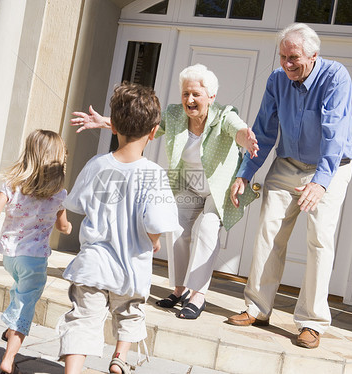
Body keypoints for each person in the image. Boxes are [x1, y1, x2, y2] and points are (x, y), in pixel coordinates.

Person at [71, 64, 259, 320]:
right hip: (189, 184)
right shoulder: (173, 115)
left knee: (206, 229)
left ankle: (198, 294)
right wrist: (106, 122)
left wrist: (245, 139)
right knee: (178, 229)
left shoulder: (224, 115)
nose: (189, 100)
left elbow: (237, 130)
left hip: (218, 190)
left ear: (211, 97)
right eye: (185, 94)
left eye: (196, 94)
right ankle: (179, 289)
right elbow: (143, 125)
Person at [227, 23, 352, 349]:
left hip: (332, 166)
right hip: (287, 164)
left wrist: (322, 182)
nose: (287, 64)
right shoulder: (276, 80)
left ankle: (312, 321)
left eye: (294, 57)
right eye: (283, 56)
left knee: (319, 240)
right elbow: (264, 130)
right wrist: (246, 173)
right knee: (269, 232)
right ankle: (257, 308)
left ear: (314, 55)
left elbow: (334, 132)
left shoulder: (335, 77)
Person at [58, 82, 181, 374]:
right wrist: (155, 240)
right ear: (154, 132)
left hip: (93, 265)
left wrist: (62, 221)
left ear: (113, 127)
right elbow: (155, 222)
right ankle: (119, 359)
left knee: (82, 320)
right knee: (130, 313)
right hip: (132, 267)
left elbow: (75, 204)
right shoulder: (154, 174)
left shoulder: (97, 165)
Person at [0, 129, 72, 374]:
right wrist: (68, 226)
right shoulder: (59, 194)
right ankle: (8, 359)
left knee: (20, 293)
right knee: (26, 306)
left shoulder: (13, 184)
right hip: (35, 260)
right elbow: (63, 227)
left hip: (9, 256)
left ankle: (9, 330)